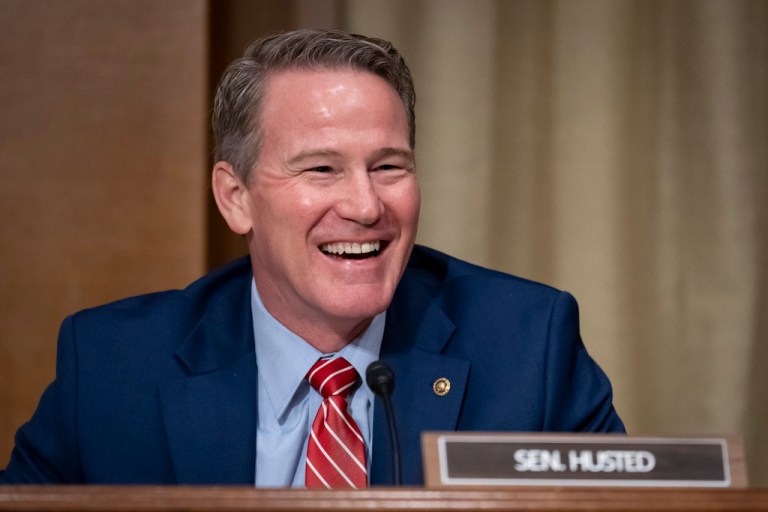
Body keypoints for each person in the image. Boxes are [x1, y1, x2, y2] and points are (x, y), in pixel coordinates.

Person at [0, 29, 624, 487]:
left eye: (389, 167)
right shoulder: (112, 368)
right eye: (321, 169)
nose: (365, 205)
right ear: (235, 197)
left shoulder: (526, 347)